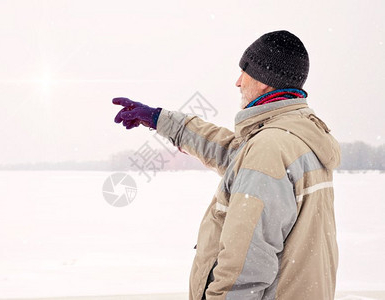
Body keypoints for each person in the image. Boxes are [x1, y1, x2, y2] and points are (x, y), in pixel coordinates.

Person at [112, 30, 340, 300]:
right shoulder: (296, 137)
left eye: (245, 71)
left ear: (266, 81)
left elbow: (244, 270)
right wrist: (160, 119)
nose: (237, 82)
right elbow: (230, 152)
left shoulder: (268, 149)